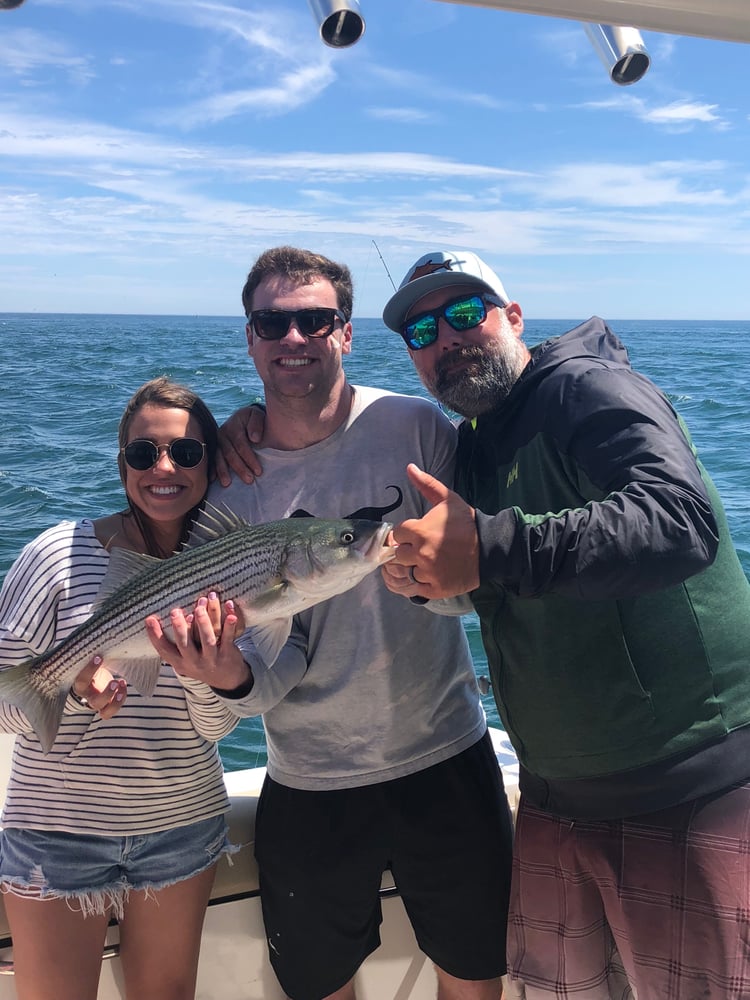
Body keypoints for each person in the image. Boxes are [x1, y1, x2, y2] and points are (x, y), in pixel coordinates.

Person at [145, 246, 515, 1000]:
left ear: (345, 334)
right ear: (248, 337)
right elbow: (256, 679)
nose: (293, 338)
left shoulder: (415, 427)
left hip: (448, 756)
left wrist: (432, 585)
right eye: (271, 322)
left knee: (475, 981)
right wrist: (229, 680)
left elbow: (483, 584)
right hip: (308, 780)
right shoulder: (226, 478)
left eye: (314, 320)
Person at [379, 249, 750, 999]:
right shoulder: (476, 450)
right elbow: (511, 581)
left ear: (514, 318)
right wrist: (430, 577)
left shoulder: (586, 386)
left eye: (462, 313)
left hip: (683, 793)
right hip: (555, 802)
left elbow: (679, 522)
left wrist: (487, 546)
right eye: (421, 330)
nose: (444, 339)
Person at [0, 377, 241, 1000]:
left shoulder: (237, 567)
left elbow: (217, 728)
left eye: (186, 453)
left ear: (209, 465)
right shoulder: (57, 556)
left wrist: (203, 675)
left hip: (181, 825)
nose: (165, 468)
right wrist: (70, 683)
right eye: (144, 454)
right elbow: (6, 705)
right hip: (55, 833)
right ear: (122, 465)